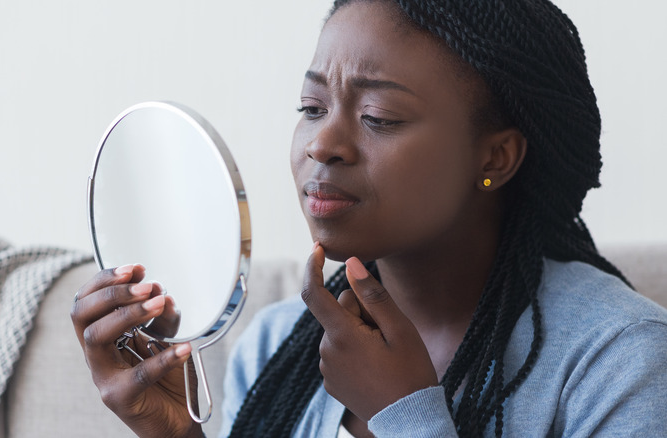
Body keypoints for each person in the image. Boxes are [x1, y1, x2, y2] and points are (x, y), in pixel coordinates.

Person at [70, 0, 667, 436]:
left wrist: (403, 414)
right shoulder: (277, 345)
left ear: (495, 158)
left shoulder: (620, 361)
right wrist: (174, 435)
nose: (322, 144)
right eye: (311, 107)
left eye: (378, 116)